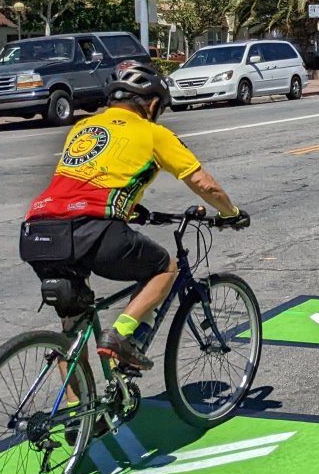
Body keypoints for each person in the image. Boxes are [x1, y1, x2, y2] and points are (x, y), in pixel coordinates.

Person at [20, 66, 249, 370]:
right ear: (152, 104)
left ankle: (81, 414)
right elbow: (204, 184)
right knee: (165, 267)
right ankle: (122, 335)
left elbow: (88, 180)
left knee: (72, 333)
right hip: (90, 228)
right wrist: (231, 214)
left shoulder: (83, 127)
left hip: (38, 231)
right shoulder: (153, 133)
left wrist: (130, 210)